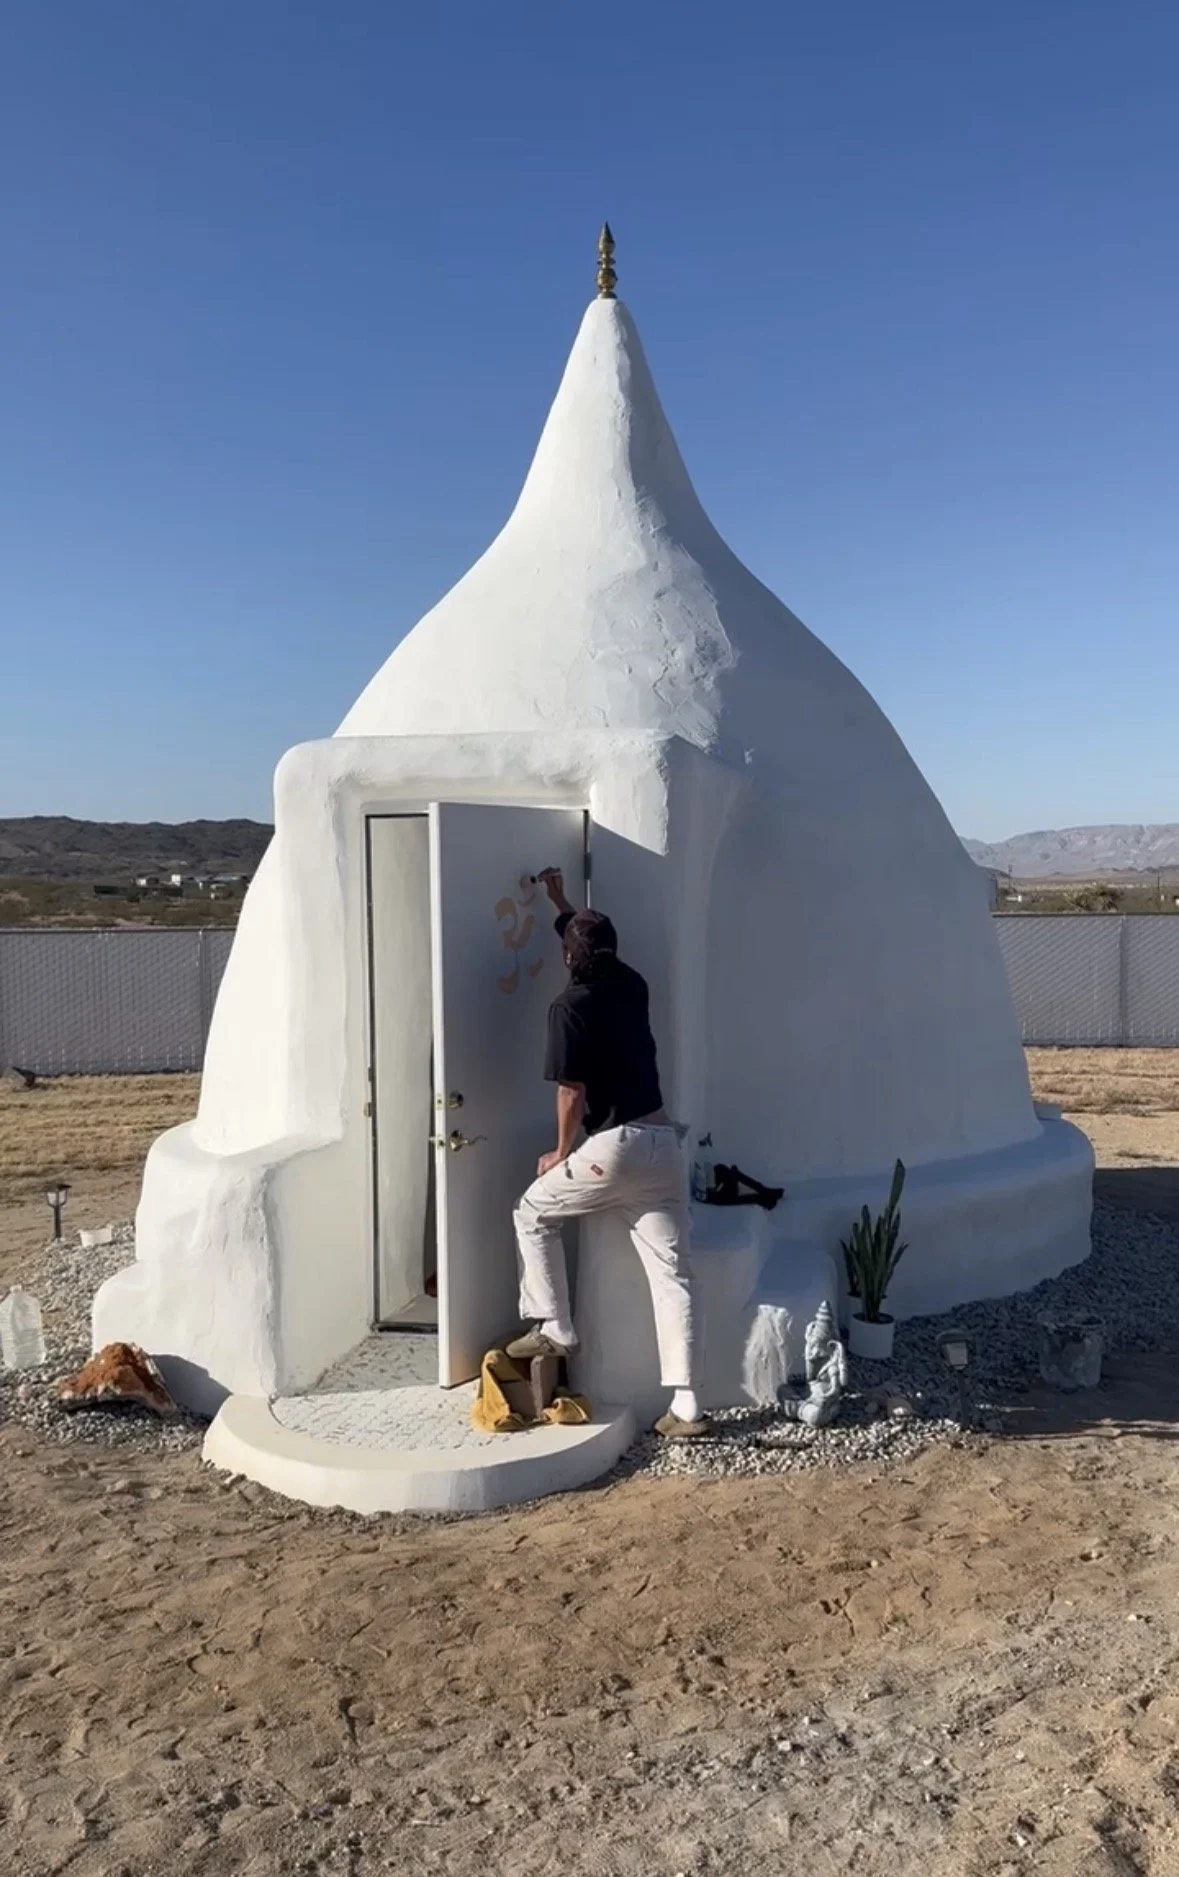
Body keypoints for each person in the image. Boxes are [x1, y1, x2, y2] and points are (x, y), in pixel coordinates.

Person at [507, 869, 707, 1438]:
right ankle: (687, 1408)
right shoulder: (633, 982)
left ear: (569, 959)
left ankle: (556, 1325)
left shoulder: (567, 1007)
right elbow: (586, 937)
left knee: (532, 1211)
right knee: (675, 1278)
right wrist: (560, 900)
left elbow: (571, 1093)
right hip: (665, 1144)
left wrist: (559, 1152)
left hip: (613, 1148)